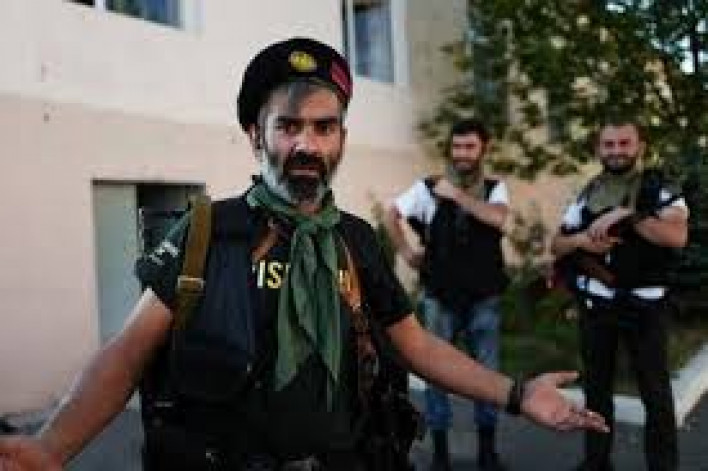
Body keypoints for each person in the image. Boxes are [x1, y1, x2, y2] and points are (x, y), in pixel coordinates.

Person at [0, 37, 607, 471]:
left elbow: (416, 346)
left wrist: (518, 394)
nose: (307, 144)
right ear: (255, 135)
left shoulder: (357, 241)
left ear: (341, 138)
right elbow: (127, 355)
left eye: (324, 127)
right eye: (288, 126)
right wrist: (51, 448)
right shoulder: (207, 232)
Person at [550, 117, 688, 471]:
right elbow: (557, 244)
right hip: (598, 305)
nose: (616, 151)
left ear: (640, 146)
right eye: (609, 144)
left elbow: (676, 236)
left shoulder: (659, 188)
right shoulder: (589, 191)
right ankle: (596, 463)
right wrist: (580, 241)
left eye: (624, 143)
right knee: (596, 392)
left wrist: (630, 215)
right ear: (599, 149)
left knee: (656, 396)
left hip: (646, 307)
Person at [383, 119, 510, 471]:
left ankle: (487, 453)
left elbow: (498, 219)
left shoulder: (494, 188)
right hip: (440, 296)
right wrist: (407, 253)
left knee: (488, 374)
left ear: (483, 149)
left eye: (470, 147)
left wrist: (456, 196)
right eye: (457, 147)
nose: (462, 154)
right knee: (435, 375)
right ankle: (440, 456)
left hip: (484, 296)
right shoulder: (427, 188)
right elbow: (391, 215)